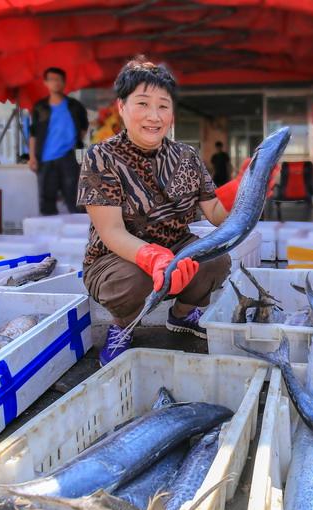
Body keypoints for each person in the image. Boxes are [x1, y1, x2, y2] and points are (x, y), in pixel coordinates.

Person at [78, 58, 249, 366]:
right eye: (143, 104)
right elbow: (111, 231)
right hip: (117, 258)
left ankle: (181, 315)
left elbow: (215, 213)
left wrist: (243, 189)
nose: (154, 116)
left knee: (216, 260)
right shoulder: (101, 156)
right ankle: (122, 327)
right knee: (133, 278)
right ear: (122, 107)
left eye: (163, 106)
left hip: (177, 248)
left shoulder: (187, 155)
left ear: (172, 114)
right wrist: (152, 257)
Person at [29, 67, 89, 215]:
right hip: (45, 160)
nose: (55, 83)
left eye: (58, 80)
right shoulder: (40, 107)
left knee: (75, 199)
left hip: (69, 158)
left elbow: (83, 127)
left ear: (64, 82)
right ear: (45, 83)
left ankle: (80, 229)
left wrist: (74, 144)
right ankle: (48, 229)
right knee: (46, 200)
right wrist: (32, 157)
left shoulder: (75, 106)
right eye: (52, 80)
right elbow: (33, 134)